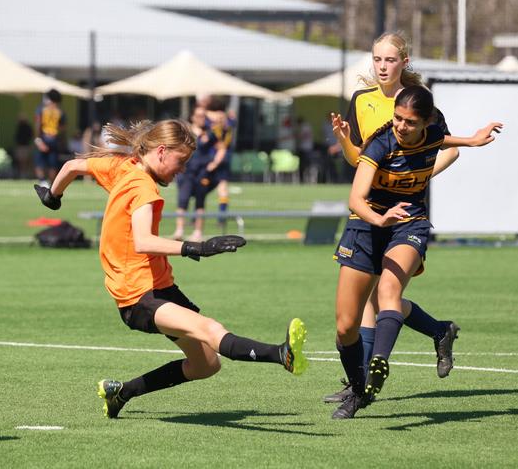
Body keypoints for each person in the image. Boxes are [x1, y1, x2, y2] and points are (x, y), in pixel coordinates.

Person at [34, 119, 308, 419]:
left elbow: (73, 167)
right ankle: (281, 354)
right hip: (138, 296)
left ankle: (121, 393)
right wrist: (196, 247)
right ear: (162, 151)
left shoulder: (122, 166)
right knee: (210, 329)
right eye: (180, 161)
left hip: (160, 286)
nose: (182, 171)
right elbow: (143, 241)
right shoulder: (143, 187)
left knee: (206, 364)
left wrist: (53, 197)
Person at [324, 31, 503, 406]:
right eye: (376, 59)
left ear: (404, 62)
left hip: (407, 216)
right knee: (354, 315)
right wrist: (343, 139)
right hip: (371, 211)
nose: (382, 66)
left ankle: (367, 381)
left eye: (389, 59)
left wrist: (418, 174)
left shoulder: (426, 108)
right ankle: (436, 332)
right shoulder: (365, 106)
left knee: (385, 294)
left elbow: (443, 144)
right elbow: (361, 161)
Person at [174, 107, 219, 241]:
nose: (201, 119)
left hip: (202, 172)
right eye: (198, 116)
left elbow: (221, 147)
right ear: (192, 117)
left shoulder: (210, 133)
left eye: (203, 116)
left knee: (200, 202)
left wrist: (214, 163)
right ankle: (179, 230)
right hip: (187, 171)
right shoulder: (186, 132)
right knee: (182, 201)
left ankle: (198, 232)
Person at [34, 89, 65, 187]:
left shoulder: (42, 109)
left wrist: (38, 139)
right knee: (53, 164)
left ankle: (43, 182)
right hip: (54, 138)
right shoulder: (60, 111)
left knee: (39, 163)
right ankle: (52, 184)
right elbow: (62, 128)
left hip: (43, 137)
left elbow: (38, 124)